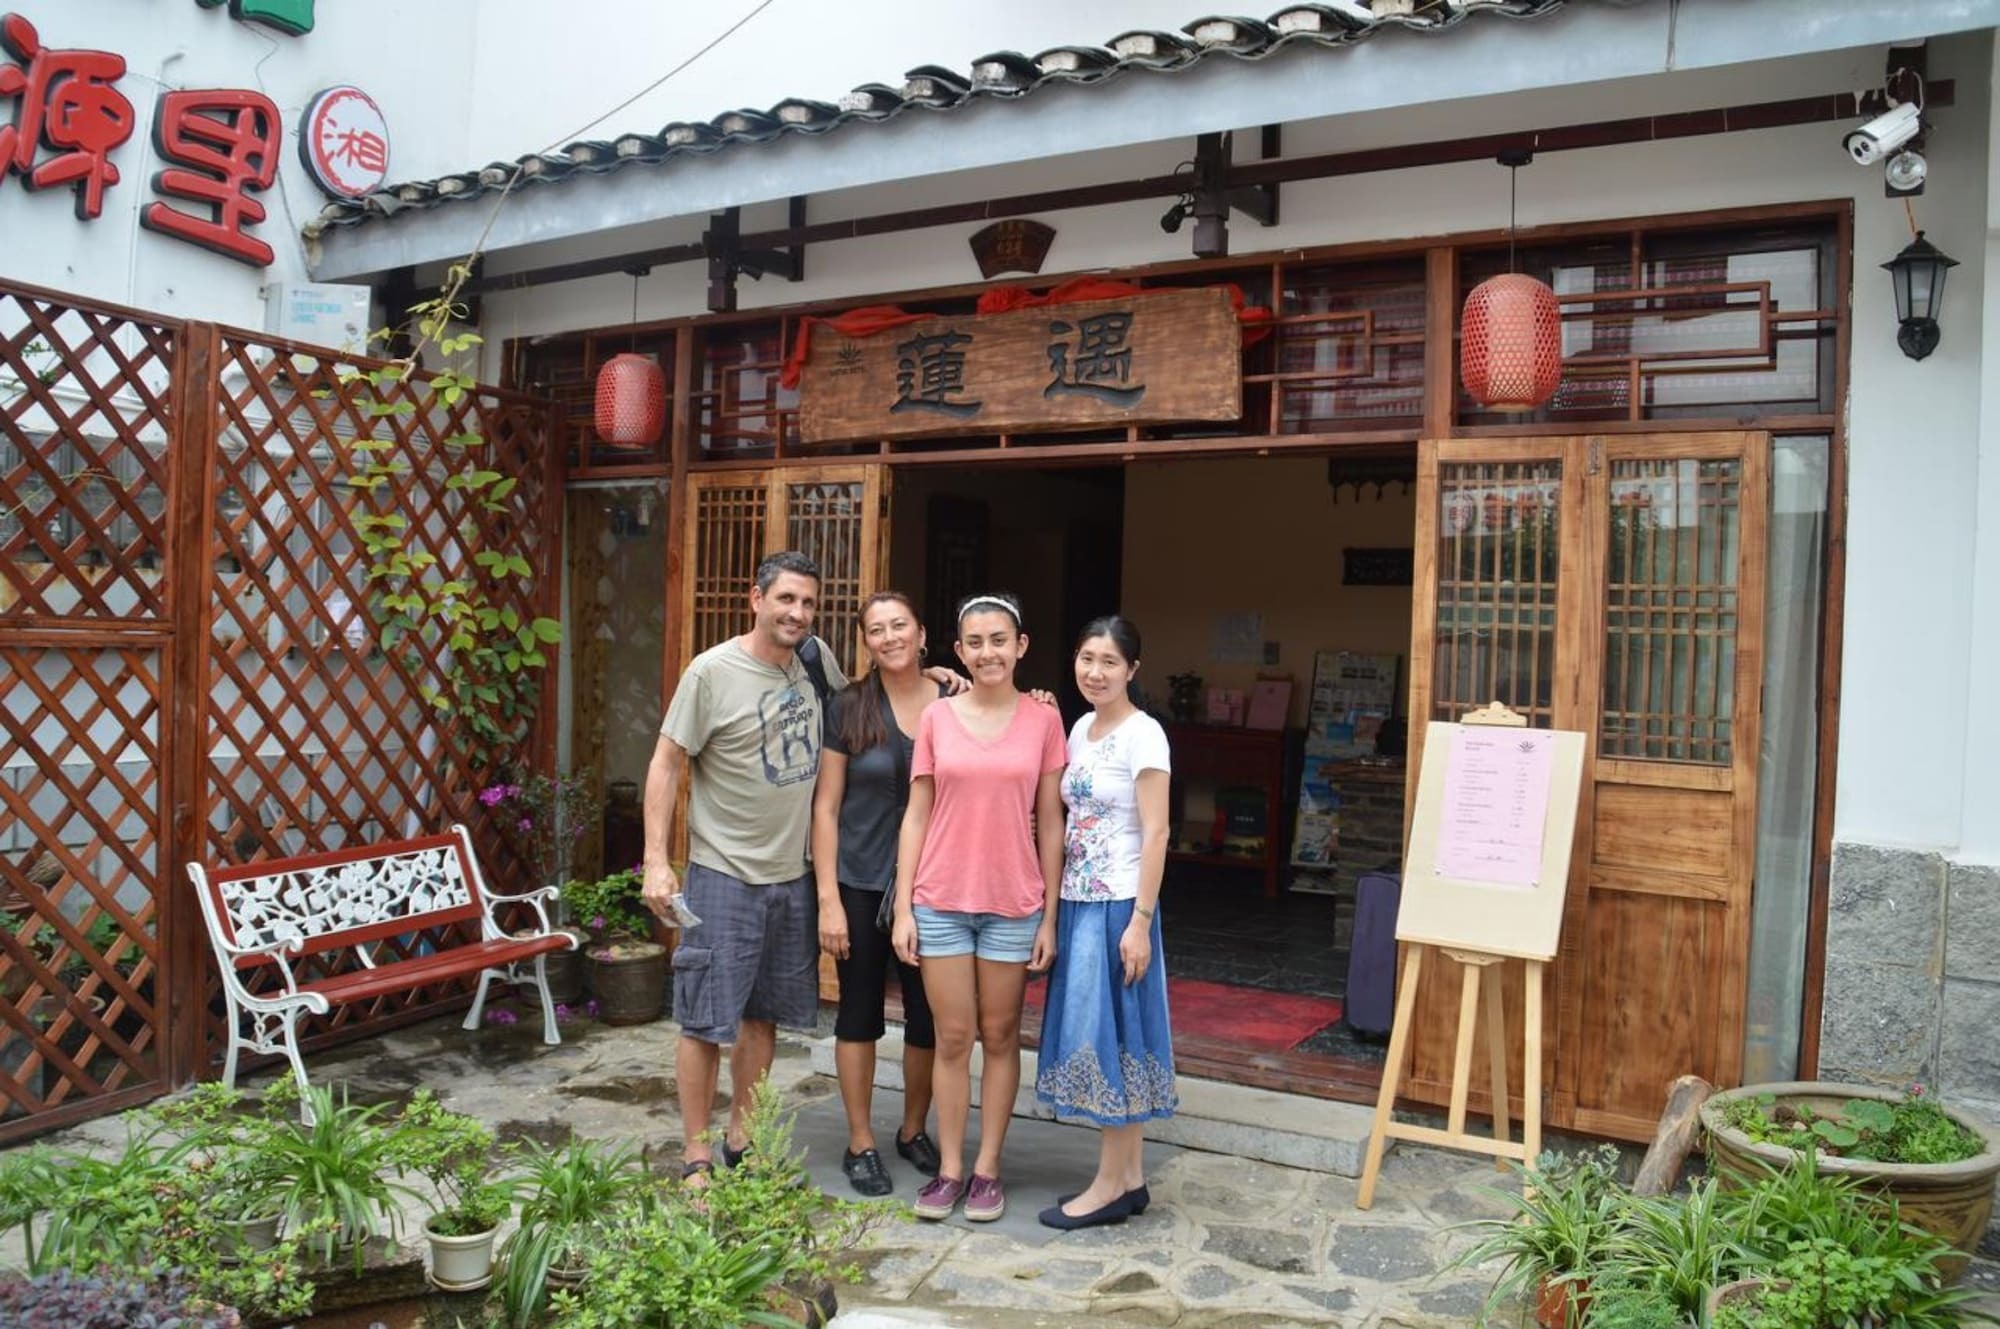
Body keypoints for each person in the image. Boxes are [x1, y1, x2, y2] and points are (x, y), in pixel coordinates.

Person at [640, 550, 846, 1185]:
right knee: (705, 1018)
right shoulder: (712, 672)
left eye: (808, 602)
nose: (798, 613)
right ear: (755, 600)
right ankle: (697, 1152)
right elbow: (667, 762)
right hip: (723, 872)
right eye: (786, 599)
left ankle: (742, 1138)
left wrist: (940, 679)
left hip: (793, 875)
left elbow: (868, 709)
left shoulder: (816, 662)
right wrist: (655, 860)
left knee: (763, 1017)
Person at [891, 592, 1066, 1223]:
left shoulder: (1044, 720)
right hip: (940, 898)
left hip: (1012, 902)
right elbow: (916, 815)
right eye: (976, 641)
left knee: (998, 1035)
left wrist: (1048, 914)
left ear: (1020, 646)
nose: (988, 651)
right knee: (952, 1036)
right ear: (959, 650)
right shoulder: (937, 719)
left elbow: (1051, 821)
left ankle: (989, 1168)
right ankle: (950, 1169)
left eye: (1000, 639)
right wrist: (906, 905)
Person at [1035, 615, 1176, 1231]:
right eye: (1086, 657)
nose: (1095, 671)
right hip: (1079, 901)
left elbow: (1159, 831)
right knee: (1116, 1032)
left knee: (1111, 1038)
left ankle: (1107, 1185)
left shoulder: (1145, 735)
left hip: (1119, 904)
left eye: (1110, 662)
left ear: (1132, 671)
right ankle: (1132, 1178)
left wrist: (1140, 921)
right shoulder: (1081, 728)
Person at [811, 591, 945, 1196]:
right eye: (876, 630)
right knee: (859, 1013)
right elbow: (826, 806)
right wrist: (828, 900)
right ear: (865, 642)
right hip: (860, 883)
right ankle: (861, 1140)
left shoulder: (955, 701)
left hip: (937, 886)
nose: (889, 637)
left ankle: (912, 1130)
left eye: (900, 626)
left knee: (929, 1017)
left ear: (922, 635)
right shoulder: (849, 706)